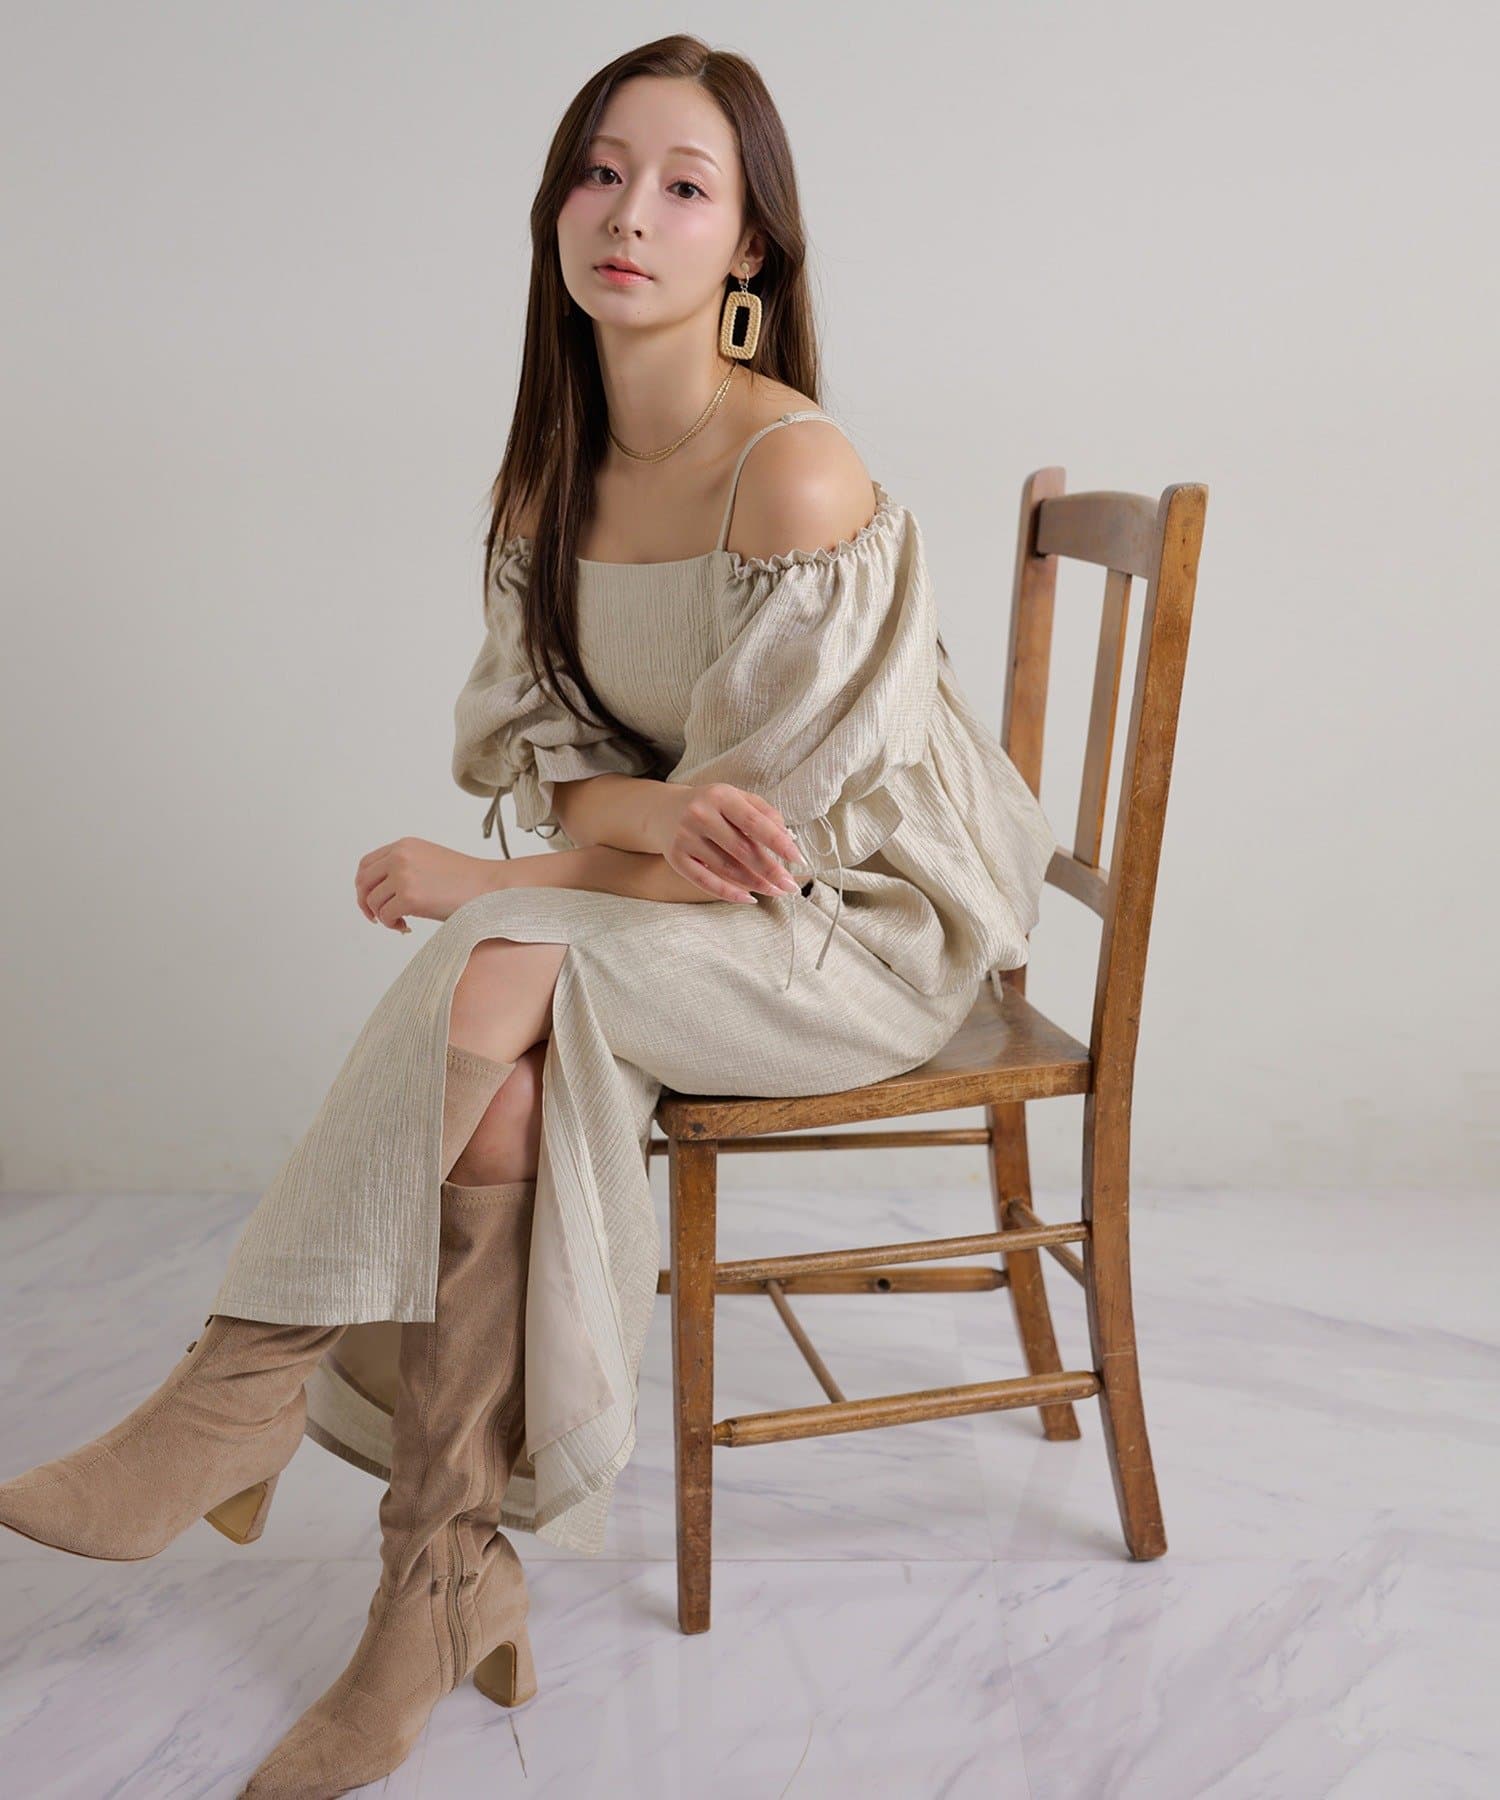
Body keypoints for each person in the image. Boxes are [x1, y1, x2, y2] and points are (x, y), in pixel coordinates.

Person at [0, 34, 1059, 1797]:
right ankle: (435, 1583)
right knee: (499, 1078)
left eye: (685, 187)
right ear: (555, 208)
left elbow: (754, 860)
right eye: (599, 171)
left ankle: (240, 1393)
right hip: (692, 914)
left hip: (858, 936)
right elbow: (594, 796)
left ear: (751, 250)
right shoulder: (549, 484)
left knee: (498, 960)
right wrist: (580, 841)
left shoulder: (794, 477)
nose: (628, 214)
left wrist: (495, 880)